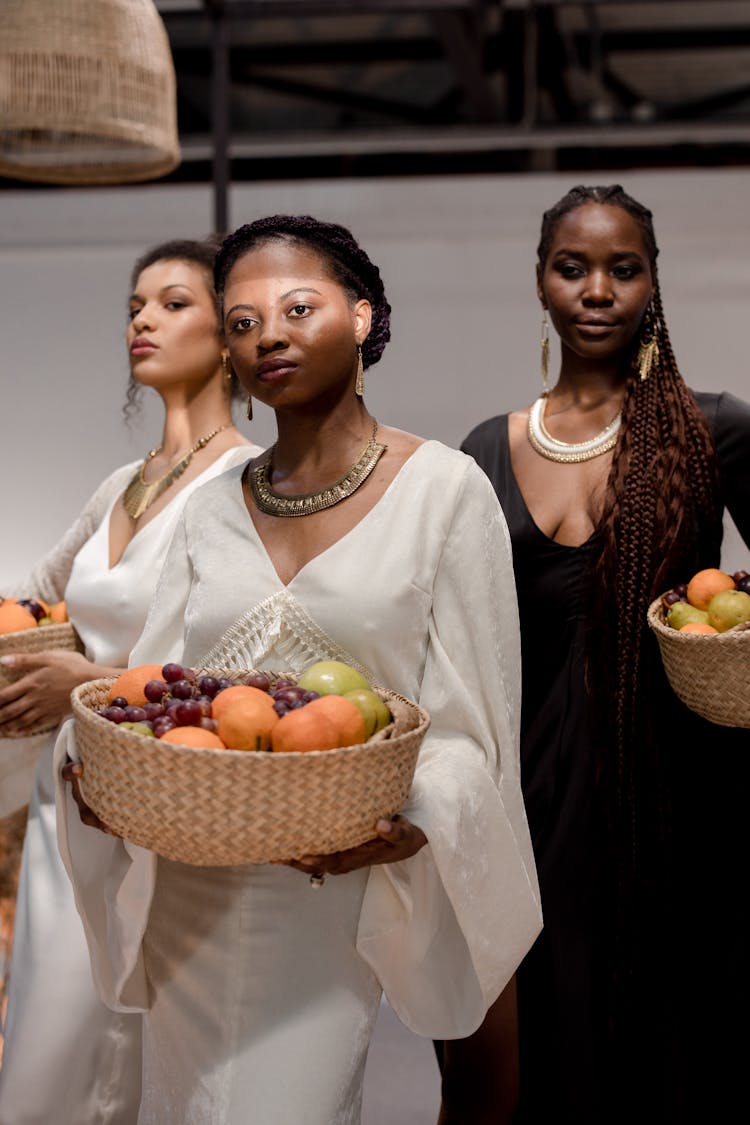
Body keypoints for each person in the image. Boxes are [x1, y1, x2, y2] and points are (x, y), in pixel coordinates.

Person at [57, 214, 542, 1124]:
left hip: (324, 890)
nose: (267, 334)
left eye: (297, 307)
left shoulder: (444, 492)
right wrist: (109, 773)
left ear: (361, 317)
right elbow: (161, 688)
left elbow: (476, 721)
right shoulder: (209, 510)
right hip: (190, 878)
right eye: (240, 323)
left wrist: (413, 813)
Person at [444, 184, 750, 1124]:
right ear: (541, 283)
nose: (598, 289)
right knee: (547, 1047)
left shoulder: (714, 426)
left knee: (679, 1041)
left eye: (625, 268)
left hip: (683, 794)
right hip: (530, 806)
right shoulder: (482, 452)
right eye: (572, 267)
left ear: (653, 282)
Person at [0, 237, 260, 1123]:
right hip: (64, 801)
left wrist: (92, 678)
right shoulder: (124, 483)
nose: (142, 318)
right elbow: (31, 601)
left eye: (173, 302)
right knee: (44, 1050)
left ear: (230, 333)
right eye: (135, 305)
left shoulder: (244, 486)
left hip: (163, 802)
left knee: (144, 1053)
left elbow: (239, 669)